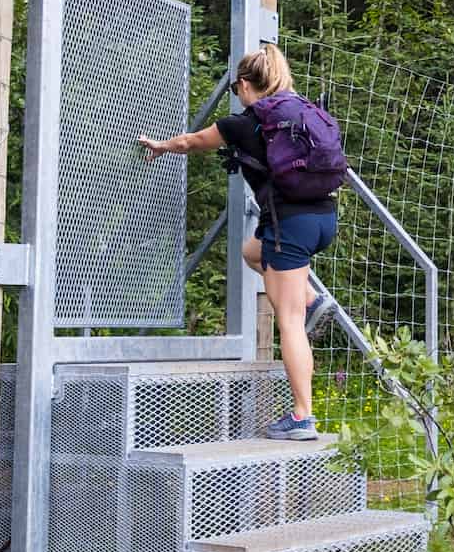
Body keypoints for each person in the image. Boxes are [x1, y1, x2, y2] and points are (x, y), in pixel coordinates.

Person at [136, 43, 338, 441]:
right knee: (251, 251)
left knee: (290, 321)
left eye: (236, 89)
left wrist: (159, 146)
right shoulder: (300, 112)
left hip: (290, 224)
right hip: (324, 218)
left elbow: (191, 142)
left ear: (245, 85)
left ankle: (302, 417)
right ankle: (313, 300)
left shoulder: (244, 124)